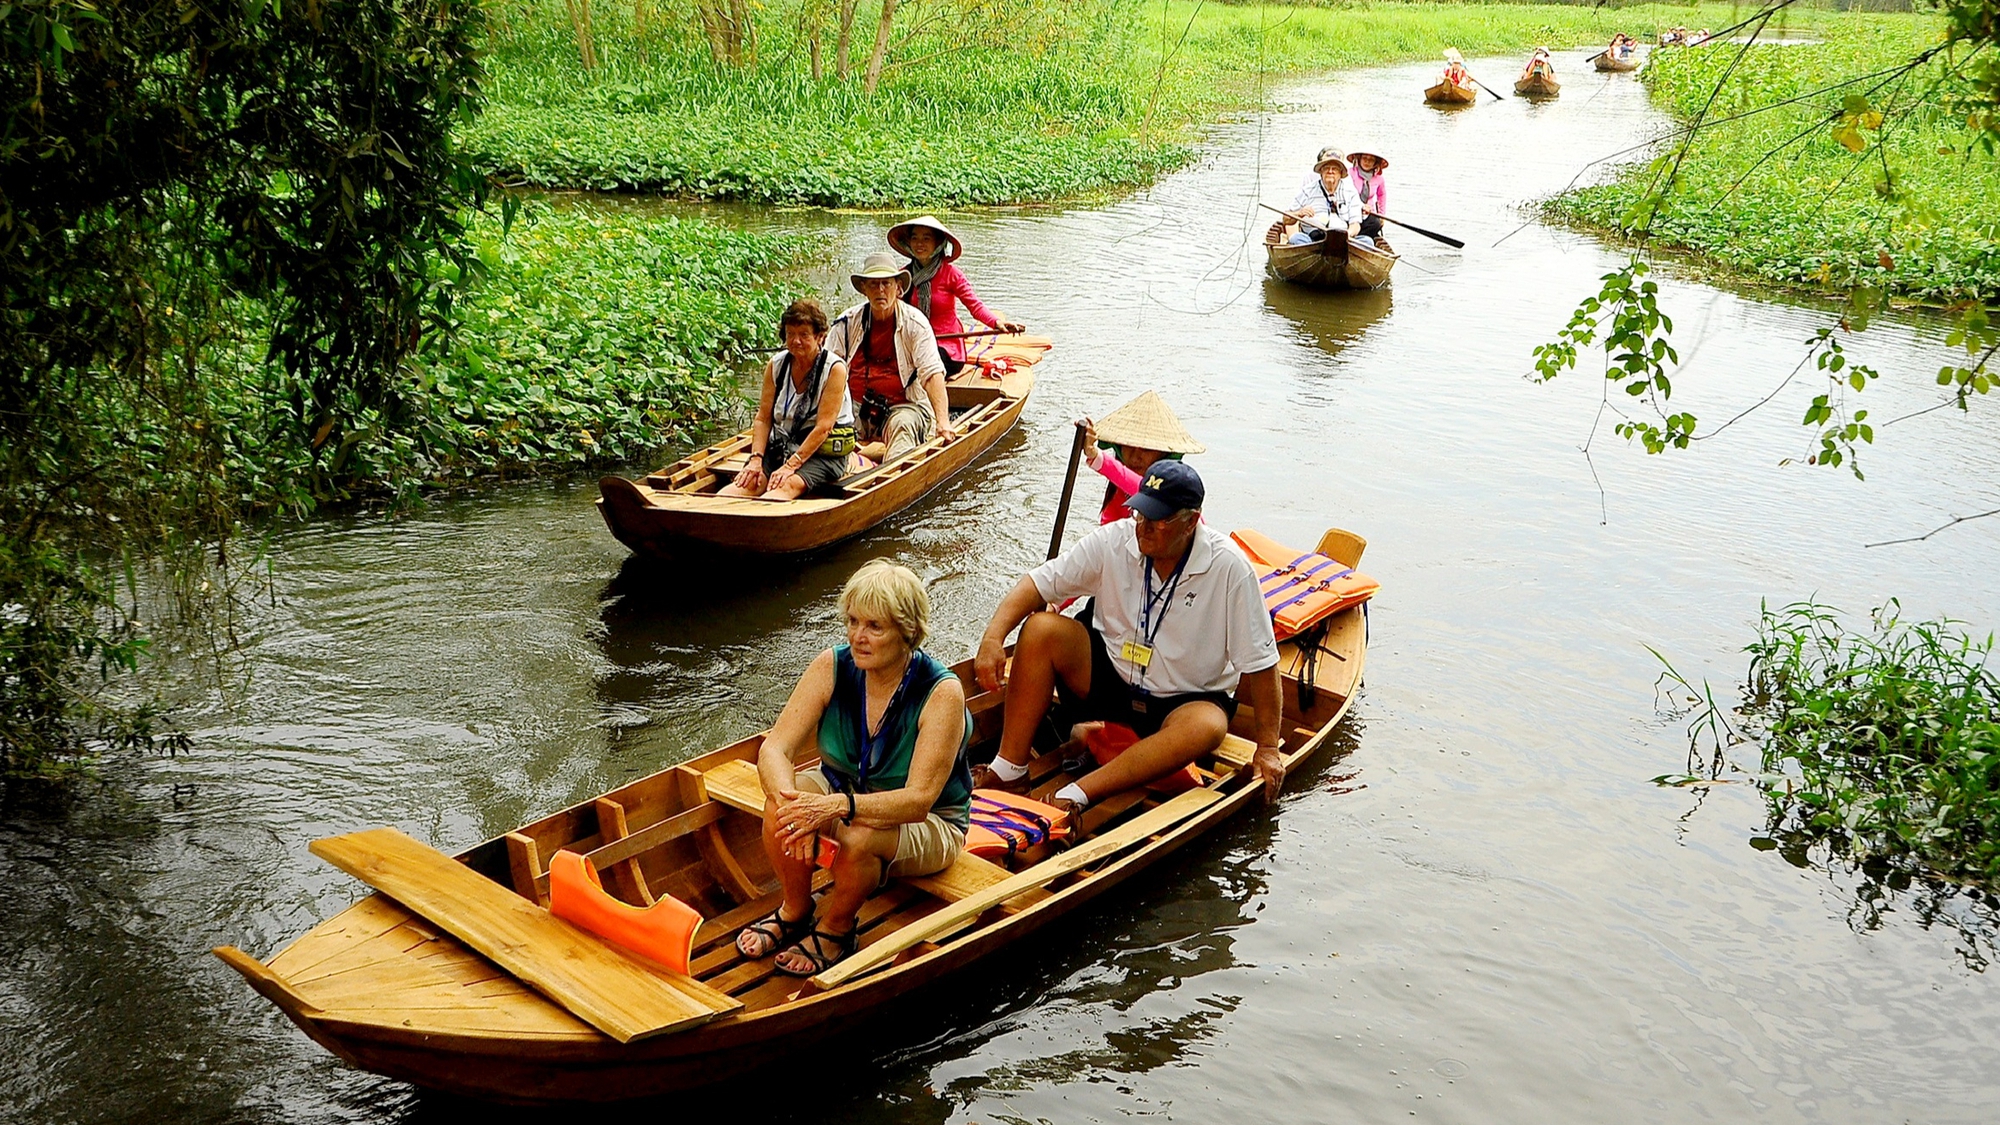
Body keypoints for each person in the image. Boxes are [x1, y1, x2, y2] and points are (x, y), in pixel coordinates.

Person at [971, 462, 1286, 827]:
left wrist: (1267, 747)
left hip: (1183, 699)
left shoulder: (1230, 568)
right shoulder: (1115, 540)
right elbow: (1038, 584)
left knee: (1209, 726)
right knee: (1041, 629)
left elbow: (1262, 663)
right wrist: (992, 638)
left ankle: (1078, 793)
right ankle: (1009, 769)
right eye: (1140, 514)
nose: (1143, 527)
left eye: (1158, 520)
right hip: (1114, 678)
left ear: (1191, 522)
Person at [734, 560, 975, 975]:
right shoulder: (833, 665)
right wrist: (793, 808)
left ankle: (837, 928)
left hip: (930, 821)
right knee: (779, 807)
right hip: (843, 787)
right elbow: (774, 749)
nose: (857, 637)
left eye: (874, 626)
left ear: (907, 632)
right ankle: (795, 909)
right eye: (852, 621)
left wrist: (835, 808)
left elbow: (918, 801)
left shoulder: (941, 692)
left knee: (858, 835)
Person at [718, 298, 856, 500]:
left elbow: (823, 428)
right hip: (781, 447)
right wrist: (756, 459)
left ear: (820, 337)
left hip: (821, 453)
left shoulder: (834, 369)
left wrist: (791, 466)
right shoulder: (776, 365)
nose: (796, 341)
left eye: (804, 335)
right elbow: (763, 418)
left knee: (786, 485)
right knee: (748, 482)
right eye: (791, 334)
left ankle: (762, 515)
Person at [825, 252, 957, 462]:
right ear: (864, 289)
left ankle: (891, 474)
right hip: (855, 407)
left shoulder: (916, 323)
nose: (880, 290)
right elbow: (826, 371)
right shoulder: (846, 323)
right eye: (873, 284)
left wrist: (943, 422)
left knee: (903, 425)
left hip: (903, 407)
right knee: (824, 429)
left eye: (886, 283)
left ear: (898, 288)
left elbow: (932, 373)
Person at [888, 215, 1025, 377]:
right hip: (913, 341)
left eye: (926, 238)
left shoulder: (952, 274)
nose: (919, 244)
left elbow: (975, 306)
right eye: (914, 238)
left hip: (946, 346)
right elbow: (890, 310)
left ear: (938, 243)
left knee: (926, 361)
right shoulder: (903, 276)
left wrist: (996, 322)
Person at [1078, 390, 1206, 525]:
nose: (1135, 457)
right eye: (1129, 446)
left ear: (1163, 454)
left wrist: (1096, 457)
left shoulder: (1177, 490)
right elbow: (1107, 528)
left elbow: (1144, 489)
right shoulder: (1119, 493)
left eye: (1146, 450)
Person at [1281, 146, 1369, 248]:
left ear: (1341, 173)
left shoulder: (1351, 192)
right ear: (1321, 172)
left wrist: (1346, 235)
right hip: (1313, 240)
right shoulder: (1307, 191)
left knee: (1368, 241)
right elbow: (1286, 219)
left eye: (1334, 169)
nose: (1330, 171)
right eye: (1326, 168)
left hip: (1343, 240)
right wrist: (1299, 213)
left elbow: (1355, 225)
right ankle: (1312, 254)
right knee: (1296, 238)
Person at [1347, 148, 1390, 244]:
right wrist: (1361, 206)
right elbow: (1347, 192)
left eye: (1371, 160)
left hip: (1368, 214)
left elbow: (1382, 195)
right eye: (1364, 158)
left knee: (1376, 224)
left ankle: (1359, 239)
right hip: (1350, 210)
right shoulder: (1350, 173)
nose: (1367, 162)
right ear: (1359, 158)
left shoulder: (1379, 179)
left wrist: (1382, 215)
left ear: (1375, 162)